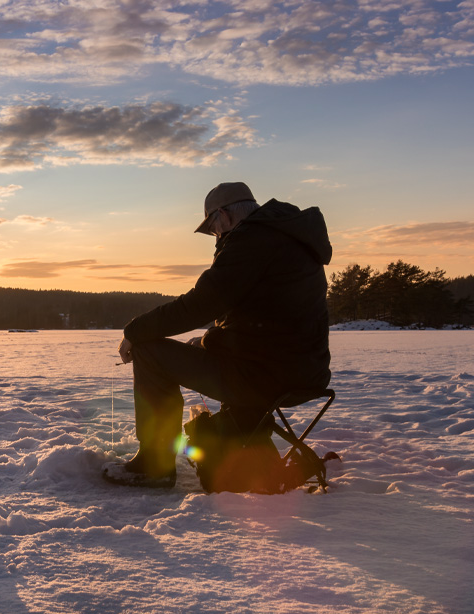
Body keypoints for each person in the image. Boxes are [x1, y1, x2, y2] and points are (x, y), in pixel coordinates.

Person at [104, 181, 332, 488]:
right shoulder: (287, 238)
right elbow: (265, 319)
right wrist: (210, 340)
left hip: (262, 376)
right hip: (303, 372)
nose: (215, 236)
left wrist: (135, 330)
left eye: (213, 227)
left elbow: (201, 304)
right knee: (196, 348)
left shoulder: (251, 240)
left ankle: (154, 466)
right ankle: (240, 454)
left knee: (149, 352)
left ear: (223, 216)